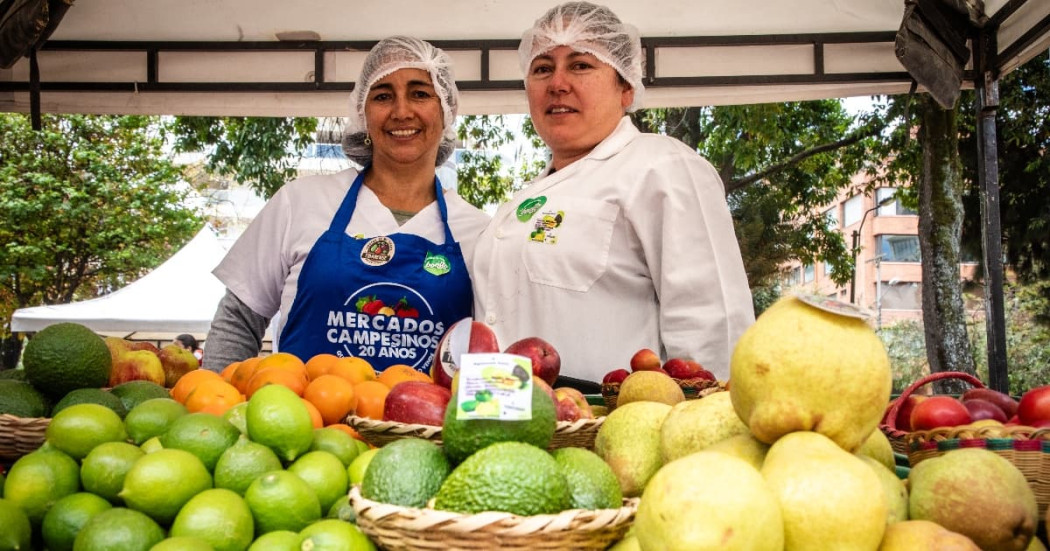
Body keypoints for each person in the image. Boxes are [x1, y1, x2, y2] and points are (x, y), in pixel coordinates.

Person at [471, 2, 755, 389]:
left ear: (625, 87)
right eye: (542, 68)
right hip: (509, 425)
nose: (557, 83)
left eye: (580, 64)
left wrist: (705, 429)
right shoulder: (521, 203)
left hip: (615, 429)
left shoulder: (662, 166)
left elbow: (712, 322)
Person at [203, 36, 490, 373]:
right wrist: (217, 405)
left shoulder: (480, 233)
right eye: (383, 95)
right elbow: (238, 320)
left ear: (446, 110)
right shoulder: (301, 202)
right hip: (304, 423)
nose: (401, 111)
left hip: (424, 427)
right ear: (362, 113)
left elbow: (488, 350)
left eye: (420, 93)